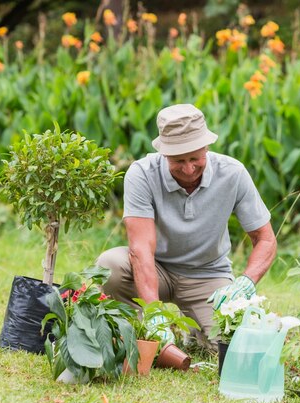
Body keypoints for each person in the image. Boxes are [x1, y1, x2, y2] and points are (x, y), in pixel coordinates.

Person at [97, 103, 277, 349]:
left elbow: (265, 239)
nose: (189, 168)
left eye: (195, 158)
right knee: (110, 265)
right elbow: (140, 250)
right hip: (156, 269)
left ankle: (194, 330)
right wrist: (153, 312)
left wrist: (245, 281)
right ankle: (138, 334)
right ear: (164, 154)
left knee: (233, 343)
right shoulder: (141, 174)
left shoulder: (233, 173)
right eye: (179, 160)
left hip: (208, 274)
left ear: (207, 147)